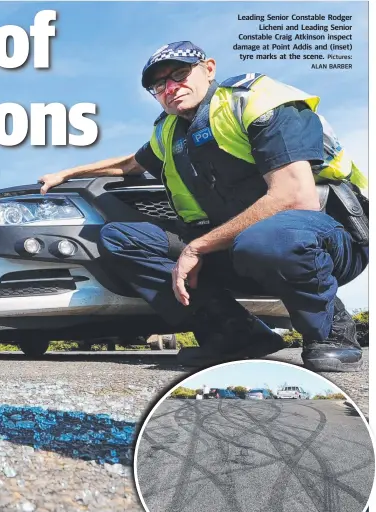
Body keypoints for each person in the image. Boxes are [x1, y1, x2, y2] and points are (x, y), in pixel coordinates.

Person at [38, 41, 368, 372]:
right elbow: (129, 164)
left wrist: (197, 247)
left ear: (209, 68)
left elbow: (295, 197)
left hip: (325, 236)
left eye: (180, 74)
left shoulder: (257, 102)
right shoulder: (168, 130)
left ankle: (331, 333)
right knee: (121, 237)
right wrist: (69, 171)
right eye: (159, 85)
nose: (170, 88)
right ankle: (235, 333)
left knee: (270, 238)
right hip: (239, 245)